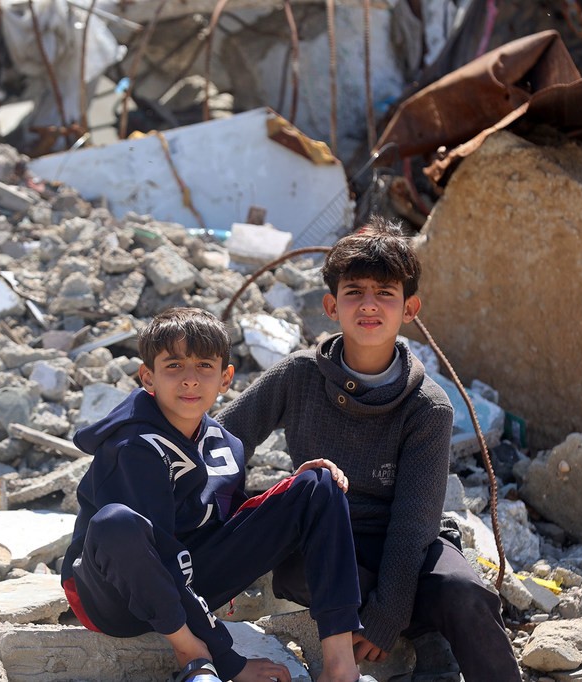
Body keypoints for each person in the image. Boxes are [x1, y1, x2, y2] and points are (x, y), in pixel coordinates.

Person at [217, 218, 522, 681]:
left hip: (408, 542)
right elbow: (223, 439)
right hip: (326, 538)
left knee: (463, 592)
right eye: (354, 291)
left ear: (410, 308)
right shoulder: (298, 376)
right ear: (331, 305)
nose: (369, 305)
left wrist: (386, 617)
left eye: (385, 293)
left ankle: (443, 640)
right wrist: (221, 529)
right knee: (299, 573)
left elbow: (414, 523)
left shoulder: (428, 406)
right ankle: (428, 635)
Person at [61, 307, 377, 682]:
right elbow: (153, 551)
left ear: (226, 378)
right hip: (114, 598)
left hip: (190, 579)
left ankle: (341, 667)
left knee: (319, 483)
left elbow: (224, 522)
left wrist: (293, 492)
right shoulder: (132, 446)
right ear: (148, 376)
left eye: (204, 367)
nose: (190, 381)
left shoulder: (225, 444)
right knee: (116, 522)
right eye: (174, 366)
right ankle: (194, 654)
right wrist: (230, 659)